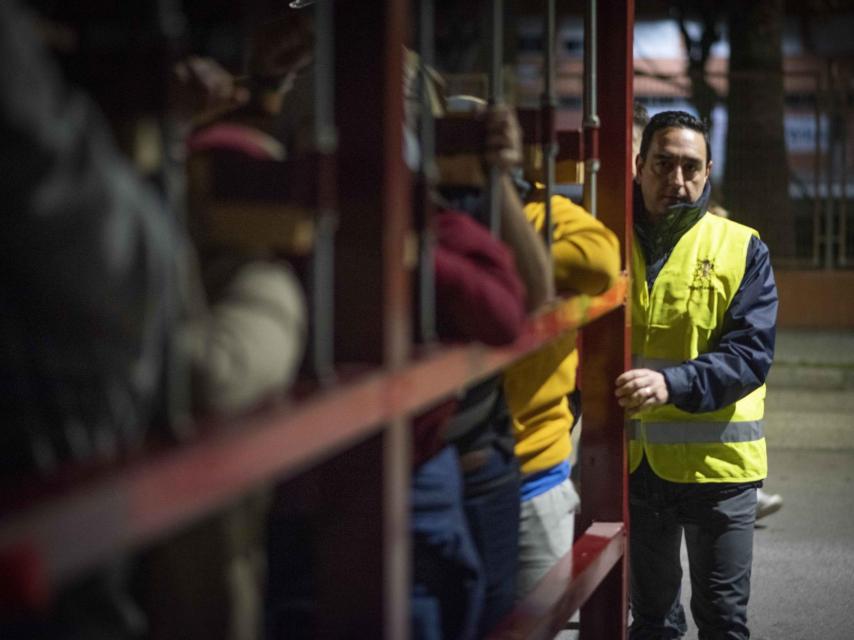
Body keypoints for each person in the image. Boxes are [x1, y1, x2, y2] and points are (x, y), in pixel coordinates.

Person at [616, 110, 778, 640]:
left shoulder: (742, 247)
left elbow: (750, 354)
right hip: (640, 468)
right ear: (639, 166)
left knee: (723, 623)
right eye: (663, 165)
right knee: (654, 623)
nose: (677, 182)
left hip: (719, 471)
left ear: (708, 172)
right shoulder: (607, 245)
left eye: (690, 167)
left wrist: (671, 384)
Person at [503, 191, 620, 598]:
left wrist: (487, 258)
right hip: (449, 480)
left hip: (533, 479)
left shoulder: (542, 212)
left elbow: (599, 262)